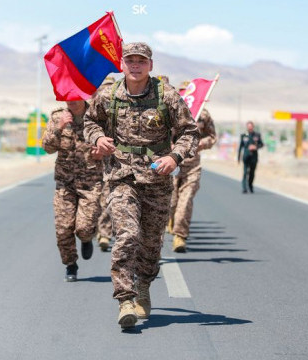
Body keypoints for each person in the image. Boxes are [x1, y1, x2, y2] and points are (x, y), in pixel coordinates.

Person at [84, 42, 198, 329]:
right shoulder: (108, 94)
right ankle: (125, 299)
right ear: (122, 63)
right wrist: (98, 138)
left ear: (150, 64)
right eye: (130, 60)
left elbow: (189, 133)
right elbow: (89, 122)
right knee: (127, 234)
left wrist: (174, 157)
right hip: (121, 176)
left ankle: (143, 287)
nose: (135, 65)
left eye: (141, 61)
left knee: (150, 244)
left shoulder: (167, 96)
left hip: (157, 180)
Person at [42, 100, 103, 282]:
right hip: (64, 183)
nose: (72, 101)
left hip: (90, 182)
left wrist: (102, 152)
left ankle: (86, 238)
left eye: (75, 96)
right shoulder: (57, 116)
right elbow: (47, 147)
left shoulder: (97, 115)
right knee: (63, 229)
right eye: (68, 97)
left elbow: (112, 143)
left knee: (83, 227)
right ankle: (70, 264)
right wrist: (59, 127)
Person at [168, 81, 217, 253]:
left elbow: (212, 137)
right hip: (173, 164)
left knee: (185, 200)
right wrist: (170, 146)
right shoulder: (172, 109)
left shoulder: (203, 114)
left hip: (193, 166)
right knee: (171, 202)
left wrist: (200, 144)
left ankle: (180, 236)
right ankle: (171, 220)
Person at [95, 75, 116, 252]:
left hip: (115, 162)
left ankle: (105, 232)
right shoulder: (92, 110)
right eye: (103, 87)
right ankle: (100, 231)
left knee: (109, 197)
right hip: (93, 165)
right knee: (99, 199)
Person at [238, 121, 264, 193]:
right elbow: (240, 147)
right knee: (245, 172)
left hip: (254, 157)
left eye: (251, 126)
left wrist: (255, 147)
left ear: (253, 127)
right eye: (248, 126)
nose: (249, 127)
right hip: (246, 157)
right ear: (247, 127)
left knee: (252, 173)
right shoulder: (244, 135)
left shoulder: (257, 135)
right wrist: (238, 158)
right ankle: (244, 188)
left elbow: (261, 144)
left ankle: (250, 185)